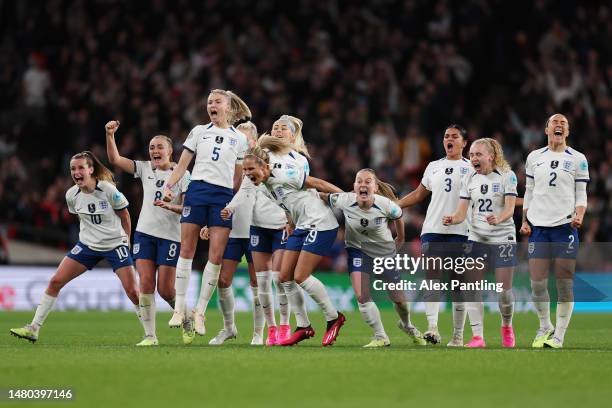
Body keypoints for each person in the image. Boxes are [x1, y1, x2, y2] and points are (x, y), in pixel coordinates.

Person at [10, 151, 142, 343]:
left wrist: (126, 241)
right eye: (73, 168)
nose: (76, 172)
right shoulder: (71, 194)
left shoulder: (108, 190)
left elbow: (125, 216)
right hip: (87, 245)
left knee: (133, 292)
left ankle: (150, 333)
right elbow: (82, 218)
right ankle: (34, 328)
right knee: (55, 281)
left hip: (115, 245)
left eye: (81, 167)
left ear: (90, 169)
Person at [161, 89, 251, 345]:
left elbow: (237, 179)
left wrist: (231, 204)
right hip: (198, 191)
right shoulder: (199, 131)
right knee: (186, 249)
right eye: (209, 101)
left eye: (217, 102)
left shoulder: (239, 139)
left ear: (228, 107)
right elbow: (182, 165)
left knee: (215, 257)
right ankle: (180, 308)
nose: (211, 105)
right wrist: (170, 187)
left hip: (221, 196)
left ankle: (199, 311)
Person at [242, 134, 346, 346]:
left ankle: (334, 317)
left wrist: (347, 200)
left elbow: (317, 183)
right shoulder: (264, 186)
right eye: (245, 170)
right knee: (283, 278)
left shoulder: (284, 174)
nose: (247, 174)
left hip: (320, 222)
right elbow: (288, 203)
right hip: (301, 226)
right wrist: (290, 222)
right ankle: (304, 326)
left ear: (263, 165)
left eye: (250, 169)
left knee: (300, 276)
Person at [105, 120, 190, 346]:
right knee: (145, 284)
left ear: (171, 151)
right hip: (144, 234)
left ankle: (186, 316)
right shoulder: (144, 169)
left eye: (160, 147)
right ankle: (150, 336)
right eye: (152, 147)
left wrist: (172, 206)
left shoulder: (183, 175)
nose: (155, 151)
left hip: (171, 236)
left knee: (165, 289)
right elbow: (115, 160)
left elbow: (190, 209)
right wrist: (110, 135)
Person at [321, 168, 426, 347]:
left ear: (375, 187)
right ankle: (380, 336)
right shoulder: (344, 200)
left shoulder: (386, 205)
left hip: (383, 252)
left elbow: (399, 215)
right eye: (359, 181)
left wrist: (400, 238)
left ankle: (407, 325)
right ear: (354, 187)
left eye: (368, 181)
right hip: (357, 251)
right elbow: (322, 195)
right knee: (362, 296)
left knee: (399, 300)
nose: (363, 184)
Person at [397, 124, 473, 346]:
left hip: (462, 231)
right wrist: (397, 205)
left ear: (464, 143)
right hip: (433, 230)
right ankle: (432, 328)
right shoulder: (433, 166)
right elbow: (420, 194)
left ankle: (458, 336)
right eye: (446, 136)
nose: (449, 140)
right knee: (433, 279)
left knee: (458, 284)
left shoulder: (472, 168)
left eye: (454, 137)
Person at [520, 113, 589, 349]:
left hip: (564, 227)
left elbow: (581, 194)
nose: (559, 125)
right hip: (539, 227)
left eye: (563, 124)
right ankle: (544, 326)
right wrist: (524, 220)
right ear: (546, 128)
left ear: (567, 132)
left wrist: (579, 214)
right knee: (537, 283)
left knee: (564, 283)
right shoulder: (534, 157)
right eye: (554, 122)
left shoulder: (578, 159)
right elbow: (529, 191)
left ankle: (559, 335)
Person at [443, 138, 518, 348]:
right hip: (477, 237)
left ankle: (507, 326)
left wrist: (499, 218)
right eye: (472, 154)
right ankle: (478, 336)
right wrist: (453, 219)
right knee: (471, 286)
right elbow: (461, 212)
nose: (473, 158)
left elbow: (510, 209)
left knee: (504, 291)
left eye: (478, 154)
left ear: (491, 156)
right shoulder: (469, 178)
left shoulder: (507, 176)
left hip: (503, 237)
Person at [199, 121, 265, 346]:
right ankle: (229, 328)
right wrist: (212, 223)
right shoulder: (226, 166)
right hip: (232, 230)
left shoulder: (263, 168)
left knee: (258, 283)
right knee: (223, 280)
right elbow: (221, 198)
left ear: (253, 142)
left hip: (257, 230)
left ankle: (258, 333)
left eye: (243, 140)